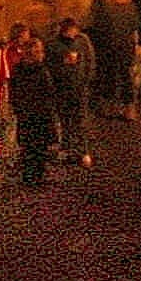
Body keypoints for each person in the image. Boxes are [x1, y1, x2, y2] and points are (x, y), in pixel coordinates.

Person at [7, 28, 57, 186]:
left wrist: (18, 108)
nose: (42, 54)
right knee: (38, 148)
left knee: (28, 147)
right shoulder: (41, 72)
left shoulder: (18, 70)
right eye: (40, 51)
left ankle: (29, 175)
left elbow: (14, 92)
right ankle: (37, 176)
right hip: (39, 116)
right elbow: (48, 95)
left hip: (26, 115)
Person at [90, 0, 141, 117]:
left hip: (109, 47)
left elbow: (99, 30)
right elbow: (135, 30)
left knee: (110, 77)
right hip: (126, 47)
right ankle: (129, 108)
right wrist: (136, 47)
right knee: (127, 77)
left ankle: (111, 106)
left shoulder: (105, 9)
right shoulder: (130, 8)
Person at [46, 18, 95, 168]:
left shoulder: (81, 41)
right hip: (62, 89)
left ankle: (83, 151)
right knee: (65, 120)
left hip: (79, 88)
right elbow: (50, 66)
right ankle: (66, 148)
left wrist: (86, 81)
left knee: (80, 121)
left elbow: (89, 61)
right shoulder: (54, 45)